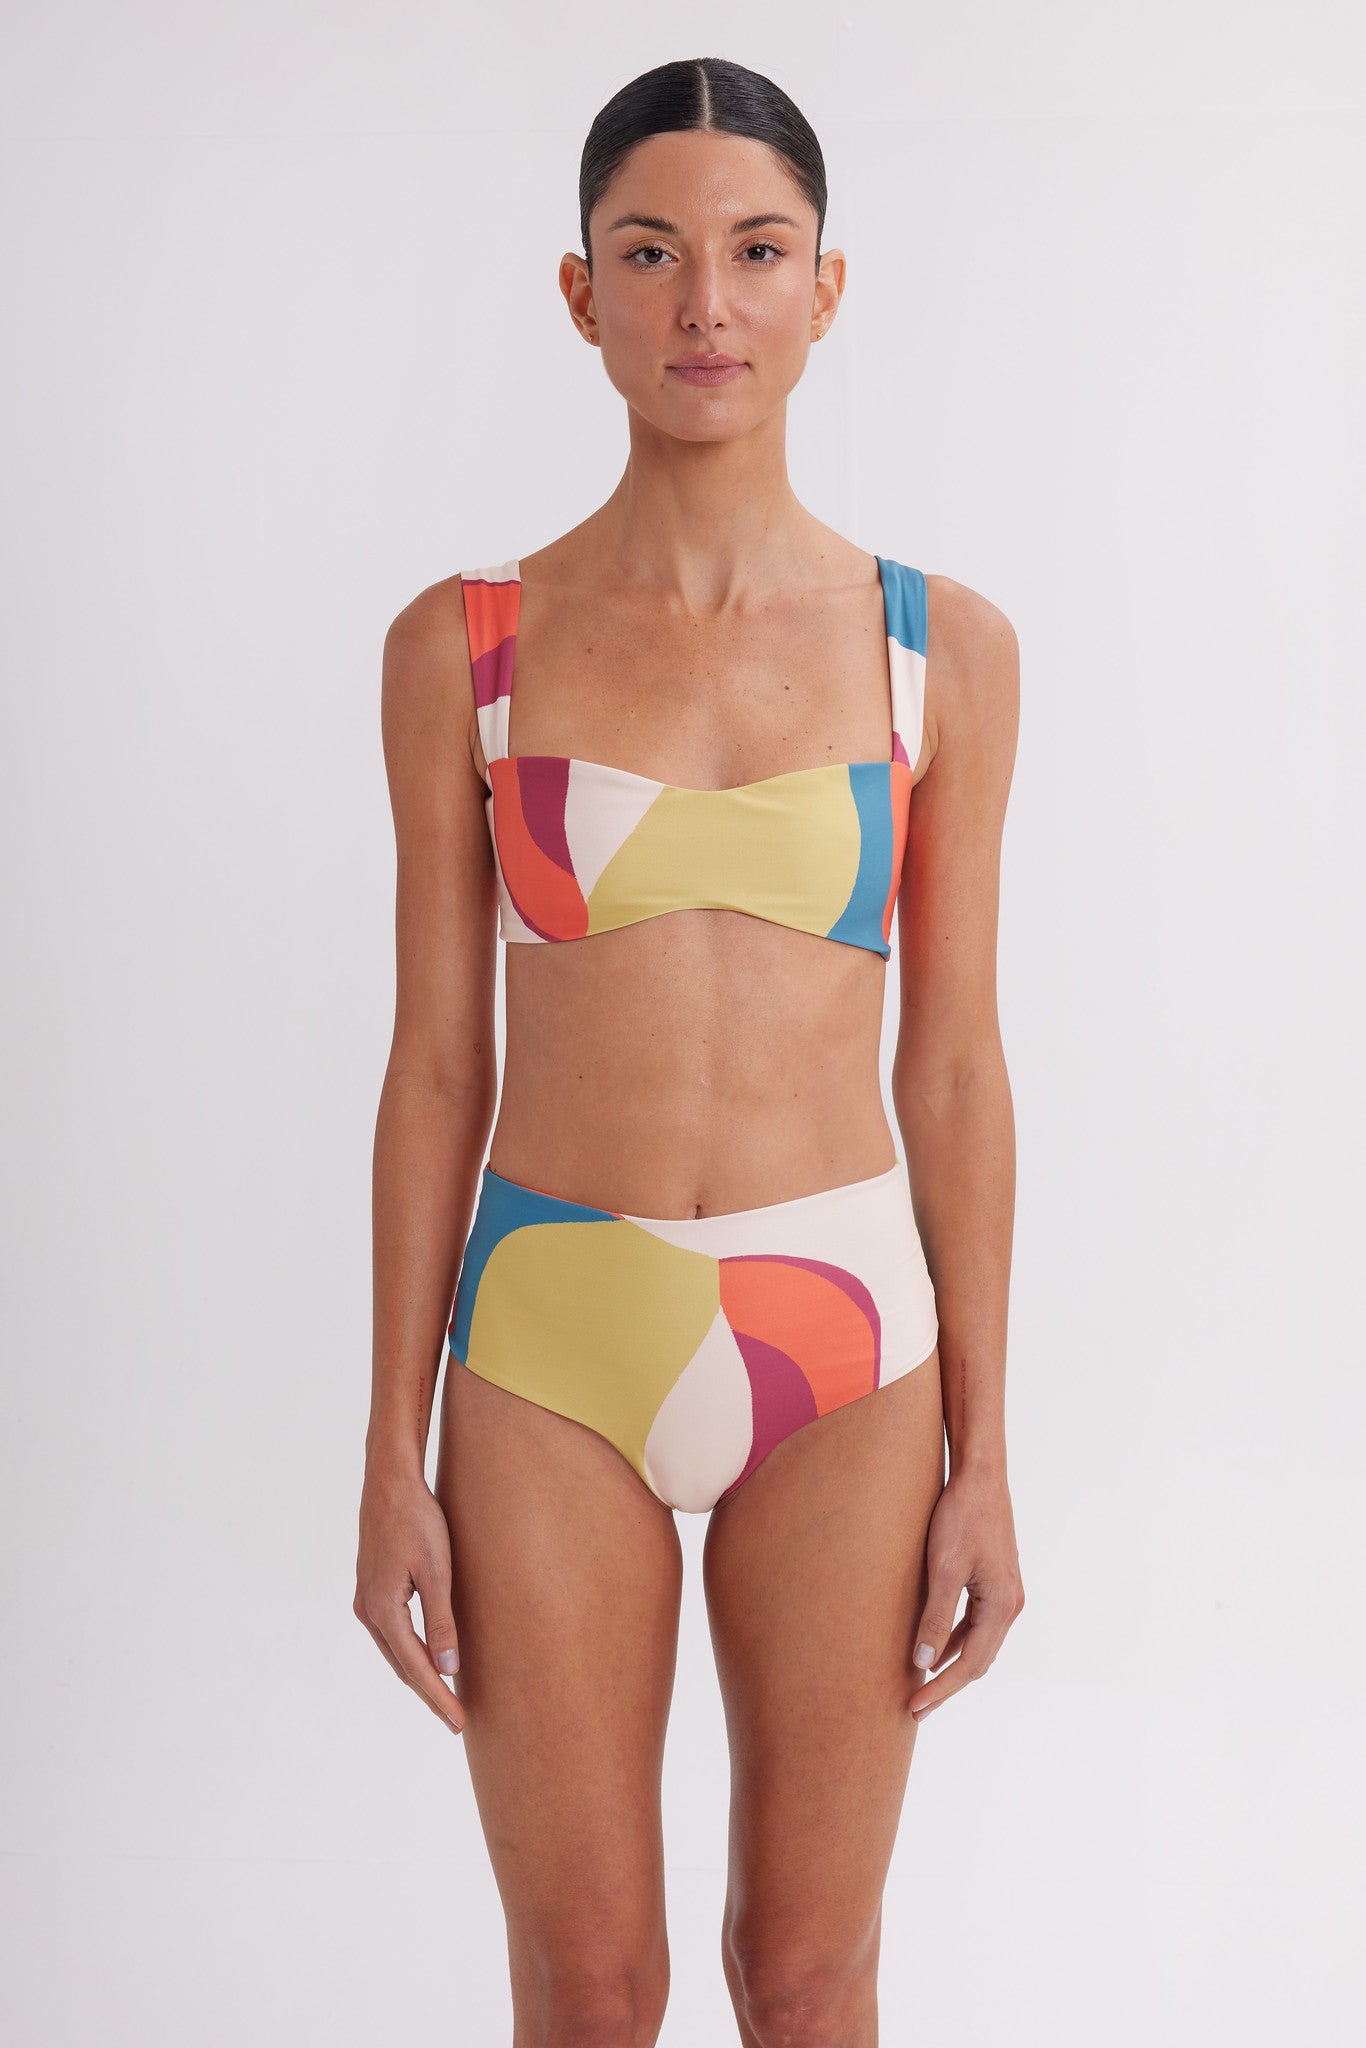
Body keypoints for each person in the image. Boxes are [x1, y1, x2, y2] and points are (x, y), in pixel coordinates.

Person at [355, 53, 1024, 2048]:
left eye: (755, 252)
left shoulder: (938, 646)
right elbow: (433, 1066)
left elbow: (954, 1069)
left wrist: (987, 1454)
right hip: (546, 1331)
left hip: (848, 1343)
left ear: (827, 287)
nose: (704, 306)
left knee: (805, 1978)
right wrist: (387, 1451)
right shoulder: (464, 642)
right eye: (648, 255)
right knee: (589, 1987)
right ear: (581, 295)